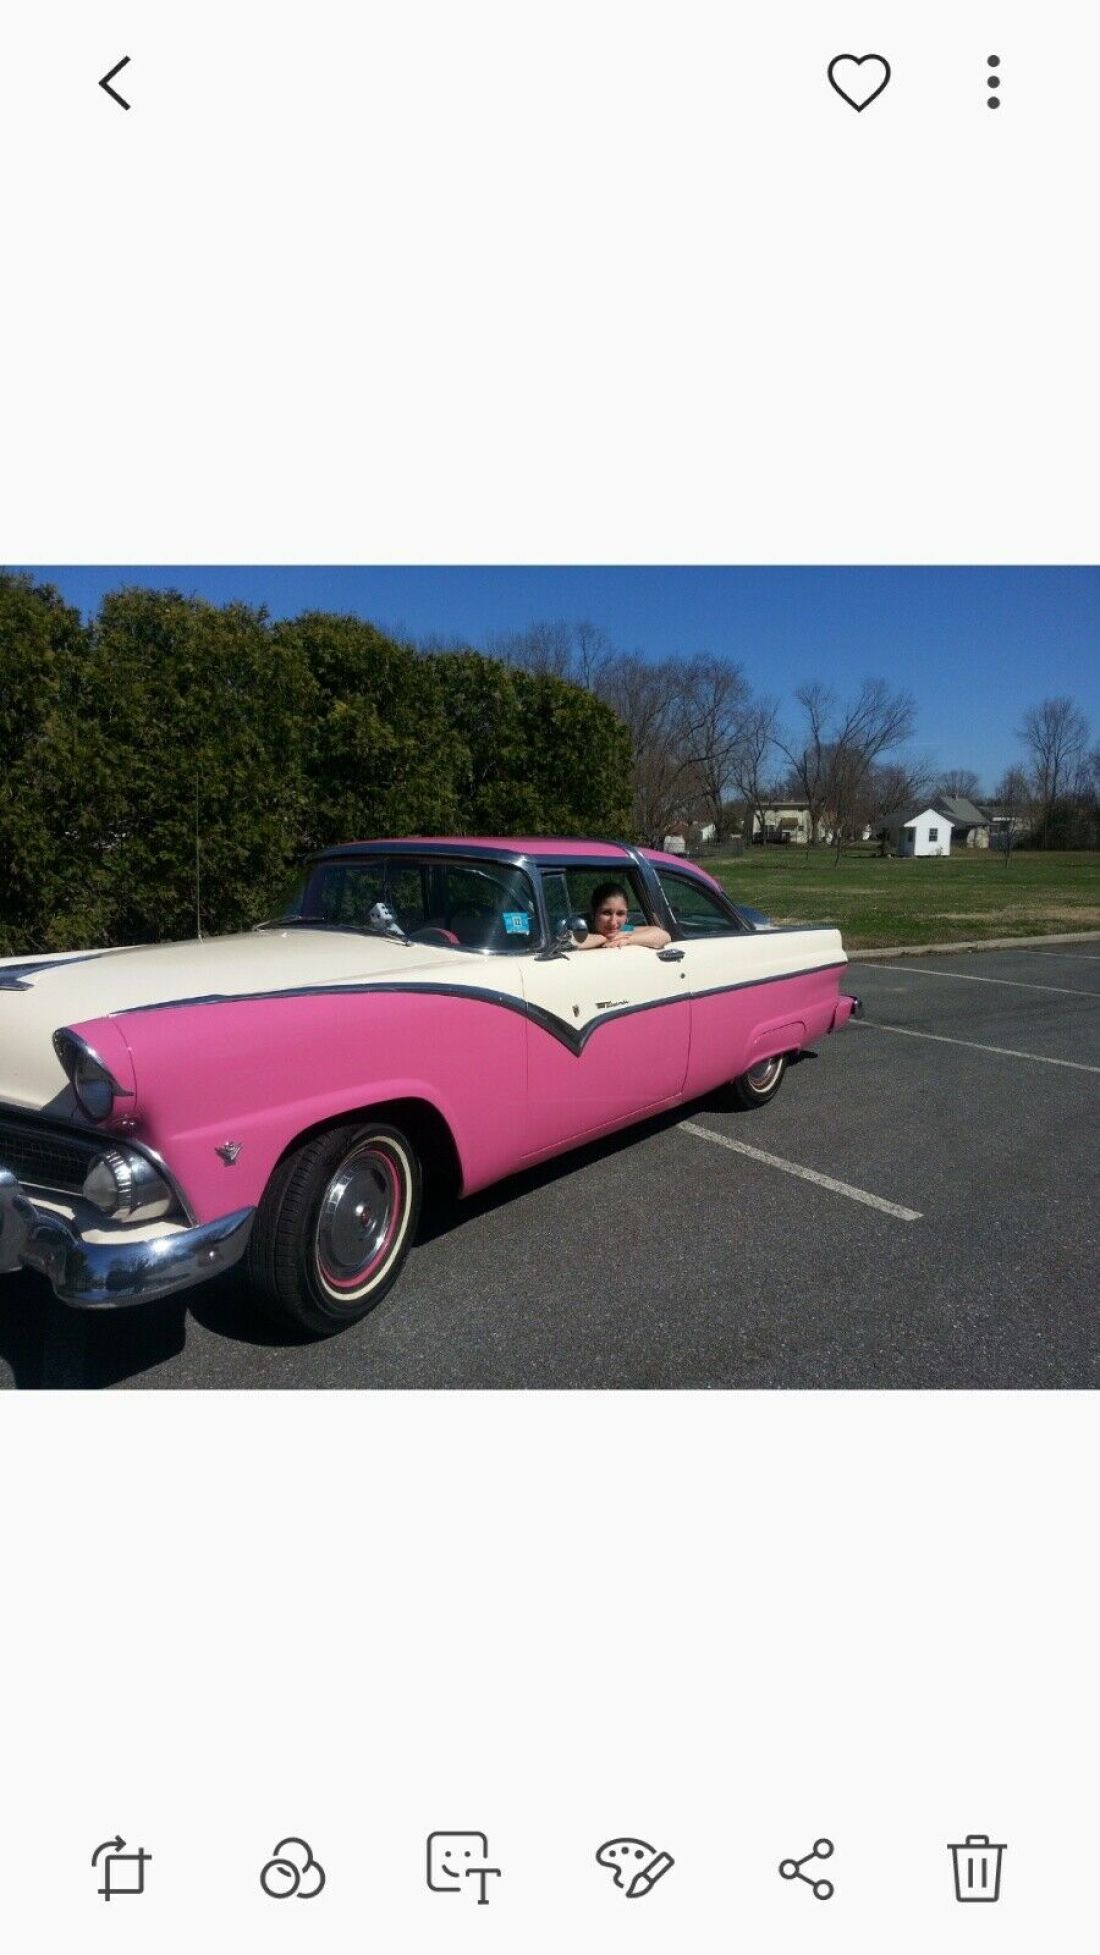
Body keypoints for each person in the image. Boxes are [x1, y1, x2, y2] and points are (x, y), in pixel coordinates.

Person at [575, 881, 671, 950]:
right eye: (606, 913)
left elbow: (663, 935)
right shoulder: (582, 928)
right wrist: (606, 938)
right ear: (592, 913)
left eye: (620, 913)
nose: (613, 922)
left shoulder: (624, 931)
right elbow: (570, 942)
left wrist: (629, 939)